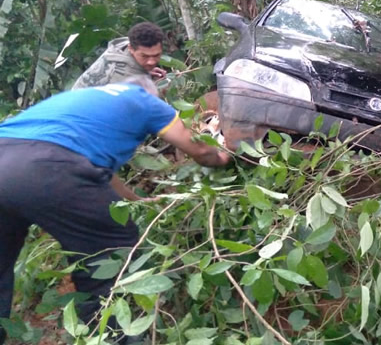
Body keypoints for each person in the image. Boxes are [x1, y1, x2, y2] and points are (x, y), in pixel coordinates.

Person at [0, 76, 230, 343]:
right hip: (49, 166)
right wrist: (226, 156)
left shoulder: (83, 99)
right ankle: (113, 337)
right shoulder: (146, 101)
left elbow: (101, 172)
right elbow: (198, 150)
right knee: (112, 251)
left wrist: (135, 200)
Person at [72, 22, 167, 90]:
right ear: (131, 48)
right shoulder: (121, 76)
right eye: (144, 56)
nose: (152, 62)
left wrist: (145, 72)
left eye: (156, 55)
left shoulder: (123, 46)